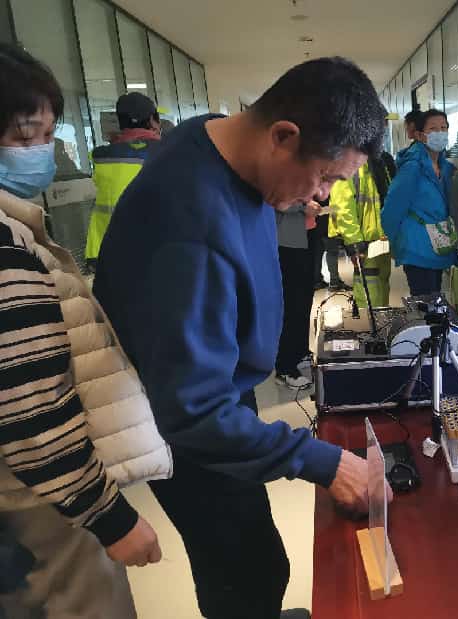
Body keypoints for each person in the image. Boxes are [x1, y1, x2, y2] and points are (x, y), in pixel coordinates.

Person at [93, 57, 393, 619]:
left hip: (220, 390)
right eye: (325, 177)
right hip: (189, 428)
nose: (323, 195)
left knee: (259, 558)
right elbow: (194, 413)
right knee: (244, 573)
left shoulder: (214, 138)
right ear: (283, 136)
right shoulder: (188, 229)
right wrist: (324, 461)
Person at [0, 42, 170, 618]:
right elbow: (32, 407)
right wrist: (109, 517)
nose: (42, 153)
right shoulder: (6, 253)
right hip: (36, 504)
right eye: (26, 137)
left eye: (50, 136)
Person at [382, 109, 458, 296]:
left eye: (444, 128)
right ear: (420, 135)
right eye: (433, 129)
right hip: (417, 249)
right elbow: (391, 210)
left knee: (435, 300)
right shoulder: (412, 168)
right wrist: (398, 242)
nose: (440, 133)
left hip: (437, 246)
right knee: (425, 303)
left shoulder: (445, 167)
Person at [84, 92, 162, 271]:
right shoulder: (167, 152)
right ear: (152, 120)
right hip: (151, 253)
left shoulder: (100, 156)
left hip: (104, 251)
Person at [329, 144, 396, 307]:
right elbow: (342, 205)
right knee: (369, 290)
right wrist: (354, 242)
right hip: (364, 242)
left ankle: (381, 320)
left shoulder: (379, 160)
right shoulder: (349, 160)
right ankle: (369, 322)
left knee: (381, 285)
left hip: (381, 239)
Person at [275, 201, 320, 388]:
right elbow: (276, 198)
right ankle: (285, 367)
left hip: (307, 233)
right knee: (292, 302)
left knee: (304, 299)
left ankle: (300, 352)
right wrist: (303, 206)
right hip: (288, 240)